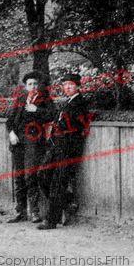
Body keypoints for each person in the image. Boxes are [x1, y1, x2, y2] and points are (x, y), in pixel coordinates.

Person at [38, 73, 91, 230]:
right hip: (57, 145)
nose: (67, 87)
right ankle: (67, 201)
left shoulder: (80, 103)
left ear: (78, 86)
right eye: (65, 84)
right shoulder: (66, 102)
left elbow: (79, 127)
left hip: (68, 148)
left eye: (71, 85)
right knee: (43, 175)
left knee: (57, 182)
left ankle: (51, 220)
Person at [5, 70, 54, 223]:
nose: (32, 86)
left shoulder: (45, 99)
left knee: (30, 175)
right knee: (19, 176)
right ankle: (21, 212)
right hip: (18, 141)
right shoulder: (20, 98)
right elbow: (10, 119)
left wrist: (37, 110)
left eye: (35, 84)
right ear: (25, 86)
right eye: (29, 84)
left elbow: (53, 115)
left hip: (34, 142)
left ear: (38, 86)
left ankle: (35, 211)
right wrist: (11, 133)